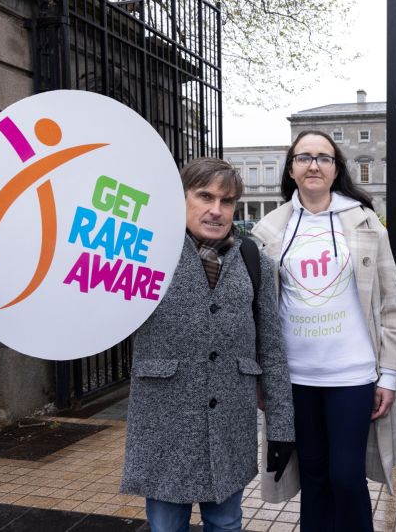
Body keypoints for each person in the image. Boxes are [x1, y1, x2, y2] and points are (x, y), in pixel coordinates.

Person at [120, 158, 295, 532]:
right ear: (181, 198)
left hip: (229, 424)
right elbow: (94, 304)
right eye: (205, 196)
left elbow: (271, 348)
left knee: (227, 523)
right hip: (164, 424)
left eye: (226, 201)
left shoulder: (255, 262)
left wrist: (281, 427)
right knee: (167, 527)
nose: (216, 210)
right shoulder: (144, 252)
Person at [252, 131, 396, 532]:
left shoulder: (365, 222)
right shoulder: (270, 230)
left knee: (346, 476)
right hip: (295, 378)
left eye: (324, 157)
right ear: (291, 169)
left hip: (352, 376)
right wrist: (263, 379)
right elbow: (258, 311)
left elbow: (391, 305)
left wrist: (388, 376)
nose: (314, 165)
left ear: (336, 169)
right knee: (314, 475)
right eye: (304, 157)